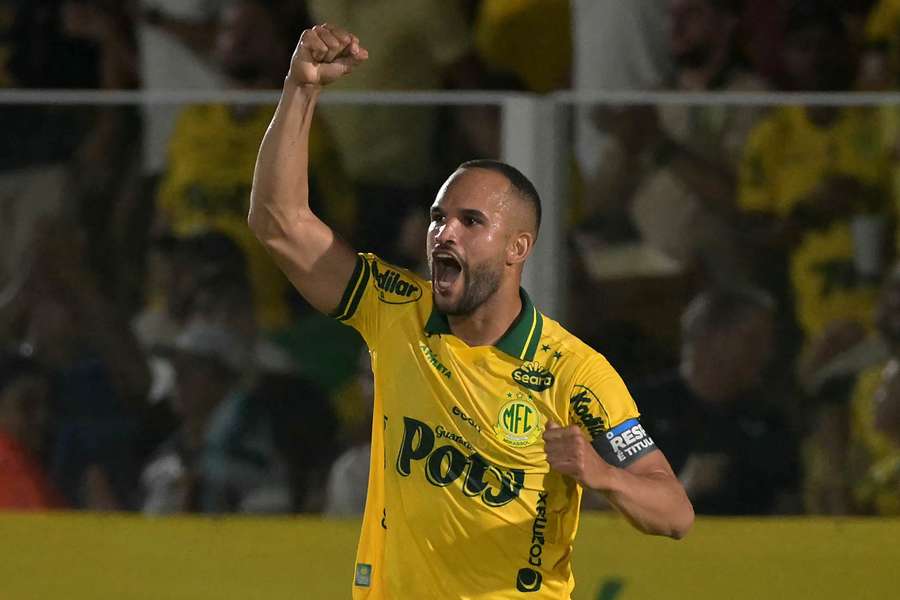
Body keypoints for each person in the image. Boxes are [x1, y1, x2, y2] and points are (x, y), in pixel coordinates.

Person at [248, 24, 693, 598]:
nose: (443, 233)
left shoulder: (574, 373)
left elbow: (675, 512)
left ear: (518, 248)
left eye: (470, 221)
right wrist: (300, 88)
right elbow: (277, 223)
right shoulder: (396, 309)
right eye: (438, 217)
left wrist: (602, 474)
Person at [635, 287, 800, 514]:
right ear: (707, 338)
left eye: (768, 342)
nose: (766, 353)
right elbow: (594, 504)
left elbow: (789, 508)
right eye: (752, 341)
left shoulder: (770, 420)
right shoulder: (637, 409)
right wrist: (684, 488)